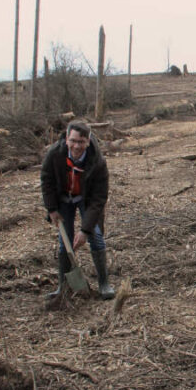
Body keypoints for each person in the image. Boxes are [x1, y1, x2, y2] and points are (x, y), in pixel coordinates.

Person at [41, 121, 115, 300]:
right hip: (62, 199)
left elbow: (99, 199)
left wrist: (85, 231)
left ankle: (104, 283)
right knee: (63, 240)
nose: (76, 146)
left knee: (95, 235)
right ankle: (63, 286)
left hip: (86, 199)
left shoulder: (97, 161)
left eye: (81, 142)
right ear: (67, 139)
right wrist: (51, 209)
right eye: (73, 141)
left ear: (88, 141)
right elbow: (47, 181)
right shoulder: (54, 155)